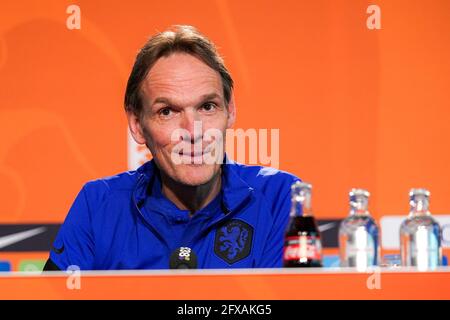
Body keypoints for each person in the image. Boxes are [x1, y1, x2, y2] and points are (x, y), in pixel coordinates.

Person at [44, 25, 300, 270]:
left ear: (230, 110)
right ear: (137, 124)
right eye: (167, 111)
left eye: (207, 106)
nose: (193, 131)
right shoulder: (97, 205)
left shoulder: (281, 197)